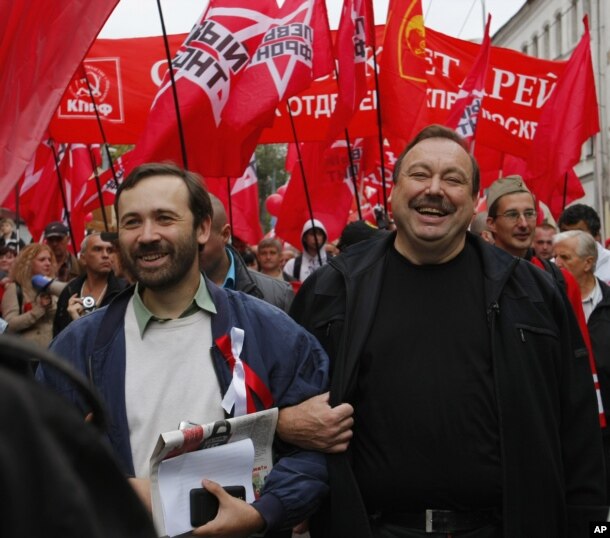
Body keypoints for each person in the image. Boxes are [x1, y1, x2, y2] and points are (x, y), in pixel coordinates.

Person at [288, 125, 606, 537]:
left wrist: (592, 527)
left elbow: (577, 421)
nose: (434, 189)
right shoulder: (333, 289)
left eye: (453, 179)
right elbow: (284, 406)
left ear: (474, 201)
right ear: (394, 190)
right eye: (420, 174)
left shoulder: (533, 292)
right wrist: (287, 422)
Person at [37, 163, 329, 537]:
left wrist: (264, 512)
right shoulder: (78, 349)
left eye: (164, 218)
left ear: (202, 228)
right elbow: (35, 465)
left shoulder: (269, 332)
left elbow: (316, 450)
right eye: (131, 222)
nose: (147, 235)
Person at [553, 229, 610, 499]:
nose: (557, 264)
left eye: (565, 257)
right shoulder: (553, 302)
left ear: (588, 263)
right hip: (574, 424)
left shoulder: (607, 303)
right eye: (555, 257)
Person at [201, 195, 294, 313]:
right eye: (264, 253)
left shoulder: (280, 295)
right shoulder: (172, 292)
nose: (191, 250)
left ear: (225, 235)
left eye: (201, 242)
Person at [53, 232, 129, 337]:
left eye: (110, 250)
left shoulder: (125, 291)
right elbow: (58, 336)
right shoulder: (70, 290)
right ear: (83, 258)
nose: (105, 255)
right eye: (98, 249)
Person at [1, 243, 57, 349]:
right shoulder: (15, 288)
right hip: (26, 357)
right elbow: (8, 326)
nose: (48, 263)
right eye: (42, 260)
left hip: (52, 355)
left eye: (49, 259)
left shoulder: (53, 287)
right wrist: (37, 311)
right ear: (28, 263)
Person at [558, 203, 610, 284]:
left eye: (578, 234)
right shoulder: (552, 267)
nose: (570, 240)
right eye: (565, 233)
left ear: (595, 235)